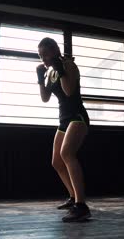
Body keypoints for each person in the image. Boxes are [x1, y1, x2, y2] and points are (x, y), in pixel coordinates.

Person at [36, 37, 91, 222]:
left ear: (55, 50)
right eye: (40, 56)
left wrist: (60, 67)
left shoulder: (68, 65)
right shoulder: (49, 71)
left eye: (45, 54)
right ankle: (73, 197)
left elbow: (68, 91)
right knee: (56, 162)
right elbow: (45, 98)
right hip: (63, 120)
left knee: (67, 153)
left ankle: (81, 206)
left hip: (77, 116)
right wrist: (39, 78)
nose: (43, 59)